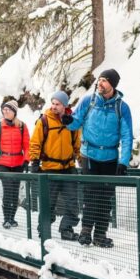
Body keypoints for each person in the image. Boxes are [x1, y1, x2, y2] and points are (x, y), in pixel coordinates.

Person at [62, 69, 132, 247]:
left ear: (112, 85)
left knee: (105, 197)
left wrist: (123, 162)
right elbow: (76, 121)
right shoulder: (89, 100)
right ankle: (85, 233)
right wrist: (68, 121)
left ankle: (100, 235)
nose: (100, 83)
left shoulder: (122, 107)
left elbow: (126, 136)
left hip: (110, 157)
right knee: (90, 195)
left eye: (104, 81)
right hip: (90, 155)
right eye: (99, 80)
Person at [27, 90, 82, 241]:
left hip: (68, 168)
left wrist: (81, 159)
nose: (54, 106)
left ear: (65, 105)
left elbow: (77, 144)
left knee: (72, 202)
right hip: (49, 169)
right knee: (48, 203)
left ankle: (66, 229)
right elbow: (35, 143)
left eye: (57, 104)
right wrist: (35, 162)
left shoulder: (72, 122)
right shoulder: (44, 121)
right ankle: (43, 229)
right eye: (52, 103)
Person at [0, 100, 30, 228]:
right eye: (3, 109)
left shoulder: (22, 126)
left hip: (18, 164)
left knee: (15, 191)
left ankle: (12, 218)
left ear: (14, 112)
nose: (5, 112)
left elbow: (27, 146)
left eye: (8, 110)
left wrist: (26, 160)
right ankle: (6, 218)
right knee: (8, 190)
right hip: (3, 163)